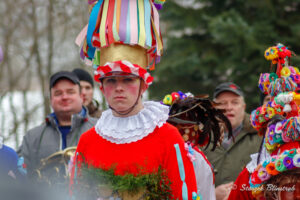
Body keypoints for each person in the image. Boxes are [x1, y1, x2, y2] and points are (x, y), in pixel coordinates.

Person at [70, 0, 199, 199]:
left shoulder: (168, 137)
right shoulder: (88, 141)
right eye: (111, 80)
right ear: (102, 87)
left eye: (128, 79)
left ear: (143, 85)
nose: (119, 87)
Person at [18, 71, 97, 180]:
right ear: (51, 100)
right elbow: (21, 178)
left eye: (70, 92)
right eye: (58, 93)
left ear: (81, 97)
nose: (64, 97)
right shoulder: (32, 137)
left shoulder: (100, 130)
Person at [162, 91, 233, 200]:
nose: (174, 130)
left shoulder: (197, 159)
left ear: (195, 129)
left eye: (181, 125)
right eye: (171, 124)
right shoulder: (159, 151)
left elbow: (206, 194)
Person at [203, 82, 261, 200]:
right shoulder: (201, 138)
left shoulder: (261, 135)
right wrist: (211, 194)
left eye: (235, 102)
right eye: (223, 103)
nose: (229, 107)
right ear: (214, 108)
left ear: (243, 107)